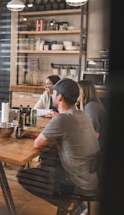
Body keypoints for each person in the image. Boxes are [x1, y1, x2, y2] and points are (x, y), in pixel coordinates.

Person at [18, 78, 100, 214]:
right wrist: (32, 133)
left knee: (23, 175)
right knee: (50, 158)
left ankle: (70, 205)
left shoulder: (61, 119)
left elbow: (37, 144)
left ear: (60, 97)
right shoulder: (82, 114)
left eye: (54, 93)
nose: (52, 95)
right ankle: (74, 205)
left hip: (76, 183)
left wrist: (32, 135)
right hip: (91, 177)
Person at [77, 79, 107, 183]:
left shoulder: (91, 107)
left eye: (77, 91)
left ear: (83, 92)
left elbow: (94, 135)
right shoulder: (93, 104)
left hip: (100, 150)